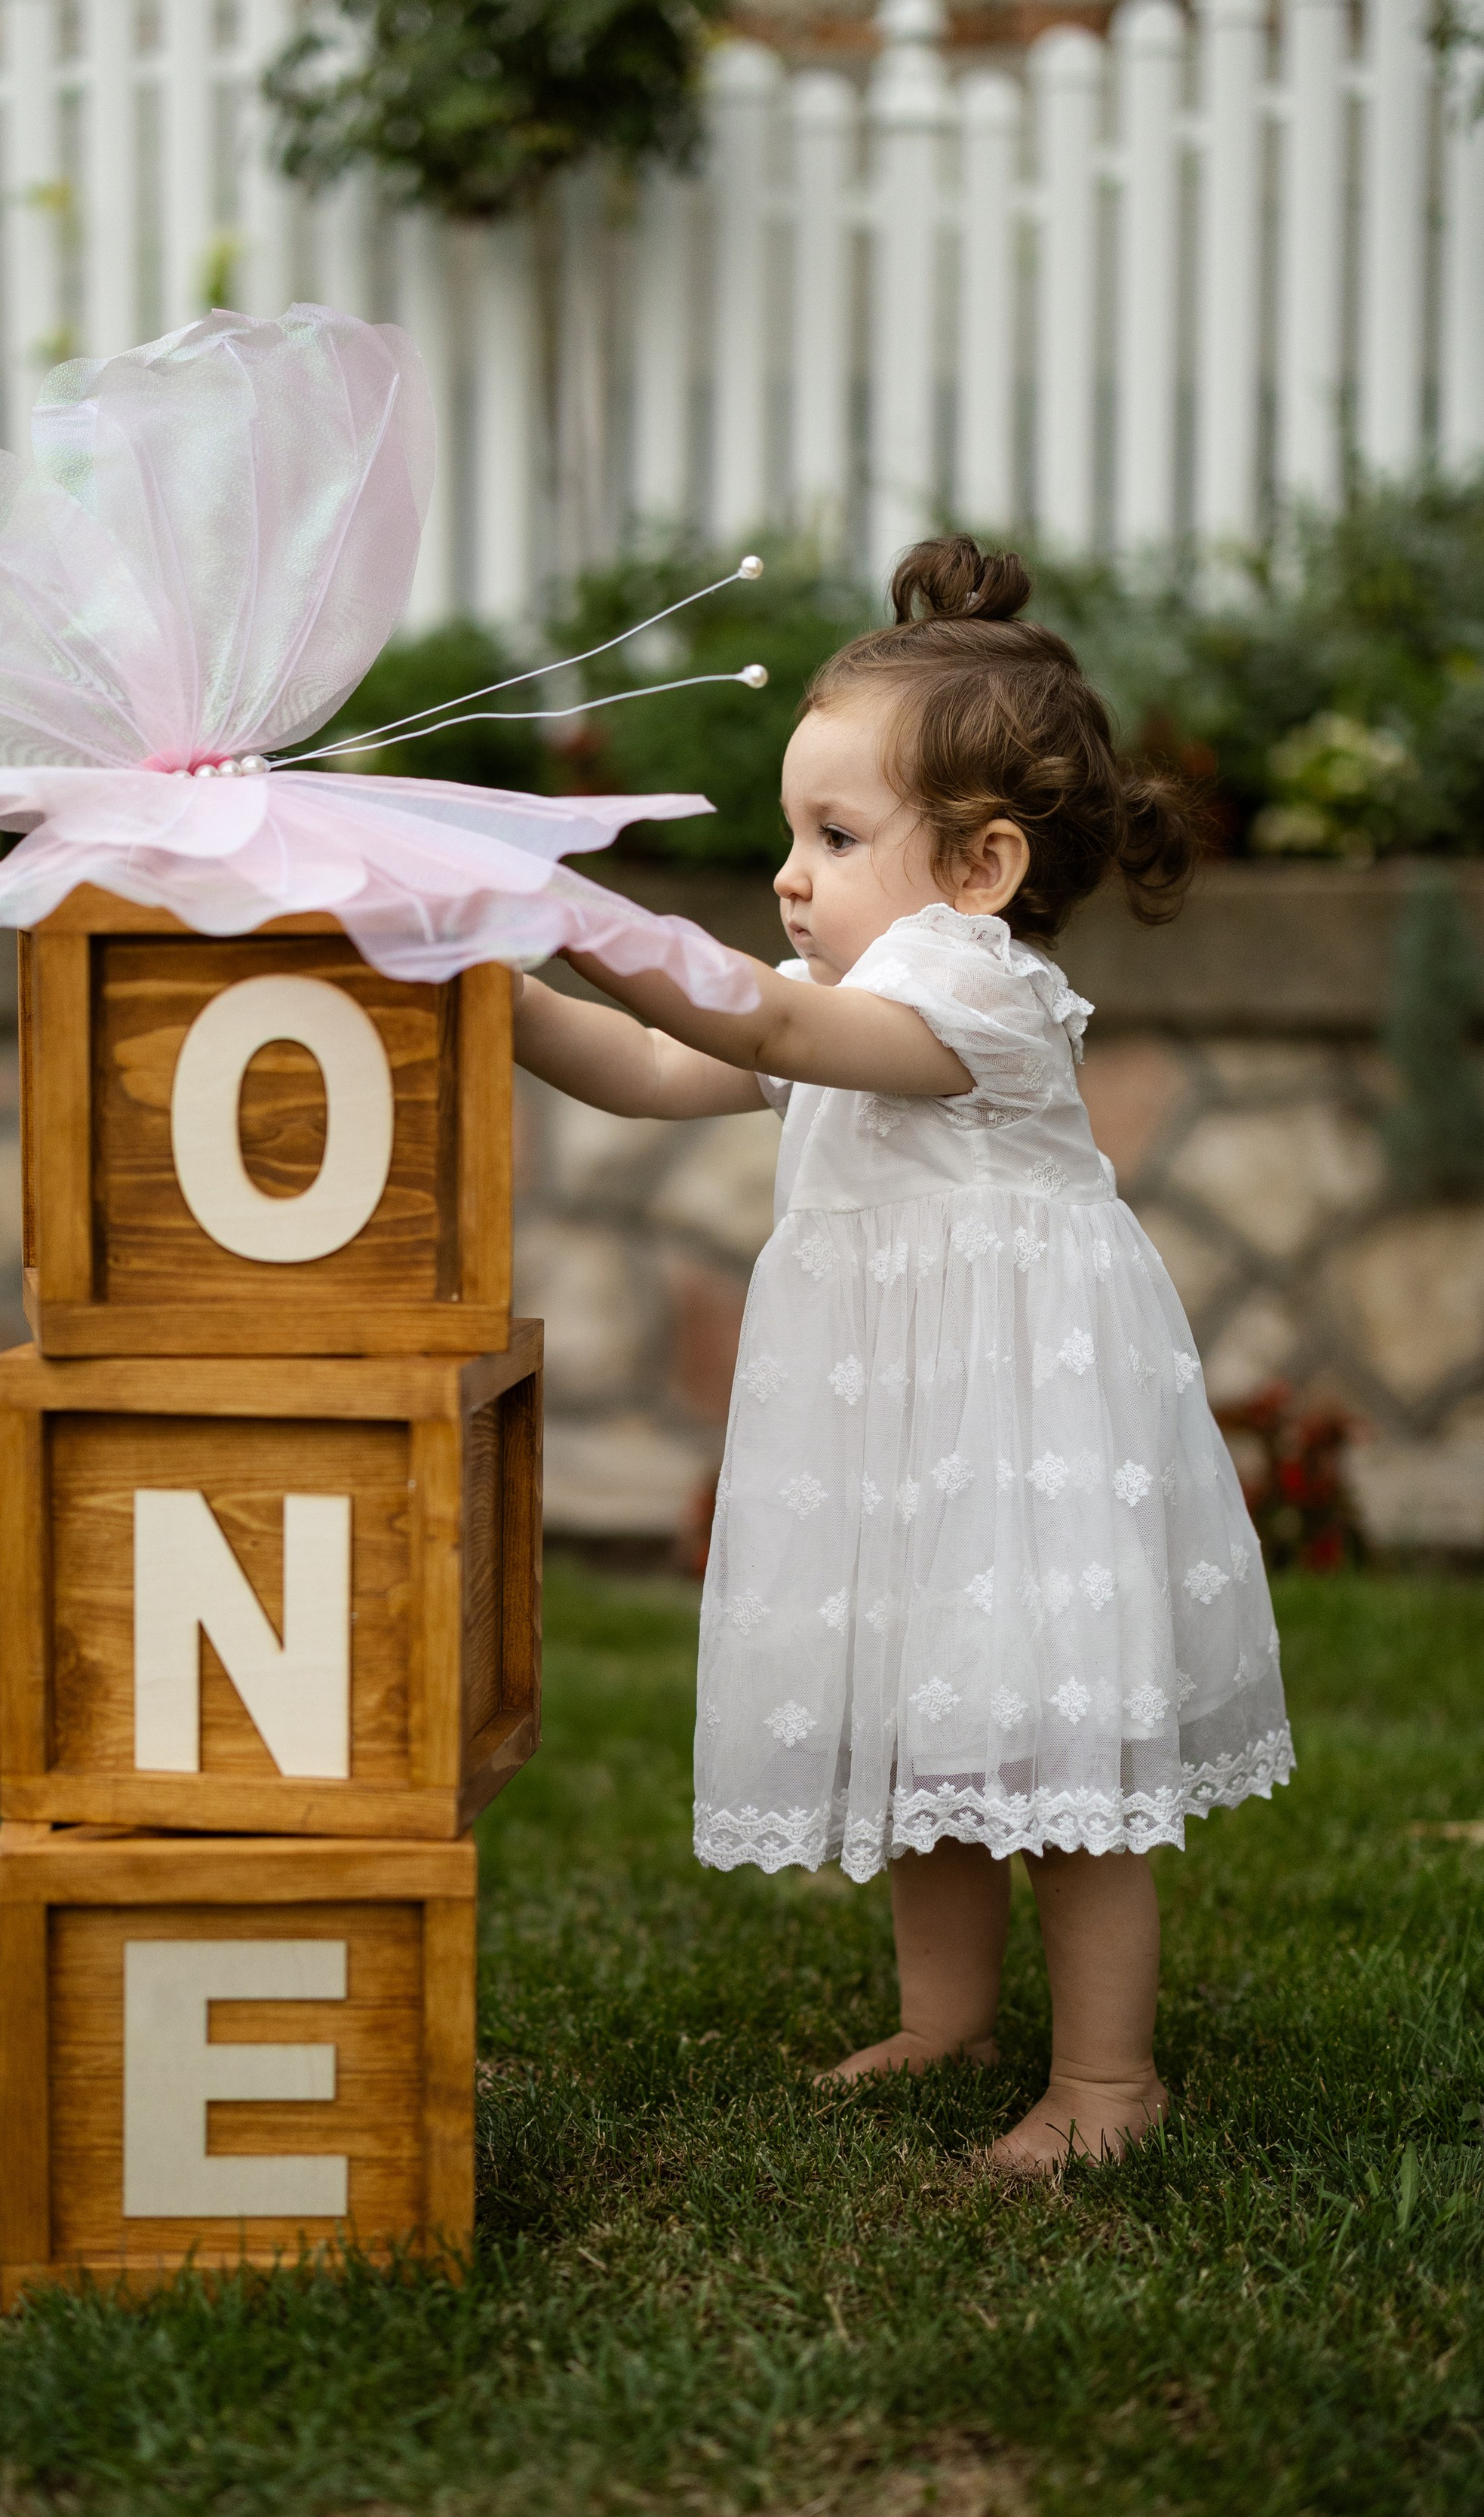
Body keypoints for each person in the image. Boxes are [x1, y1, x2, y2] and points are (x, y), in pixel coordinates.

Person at [512, 535, 1292, 2172]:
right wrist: (496, 986)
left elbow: (762, 1023)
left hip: (1011, 1428)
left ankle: (1108, 2085)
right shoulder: (853, 988)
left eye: (835, 835)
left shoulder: (974, 995)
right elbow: (655, 1070)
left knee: (1049, 1747)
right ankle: (946, 2022)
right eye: (791, 832)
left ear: (982, 867)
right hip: (893, 1426)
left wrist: (574, 911)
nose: (790, 875)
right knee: (925, 1721)